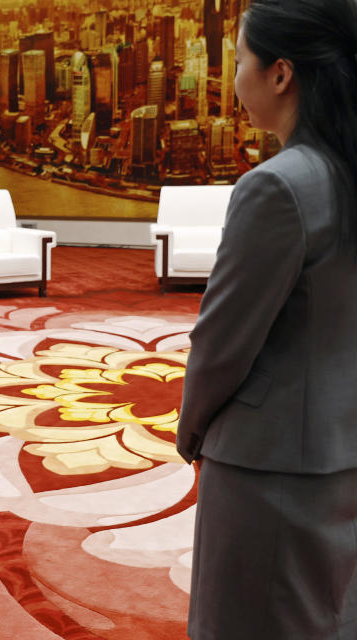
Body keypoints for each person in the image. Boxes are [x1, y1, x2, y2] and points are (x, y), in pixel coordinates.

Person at [177, 1, 357, 638]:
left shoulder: (278, 186)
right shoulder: (343, 173)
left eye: (238, 62)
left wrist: (190, 430)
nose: (233, 79)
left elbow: (222, 342)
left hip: (268, 464)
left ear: (280, 75)